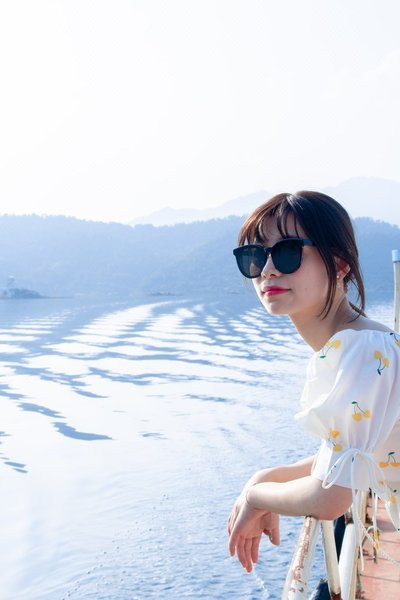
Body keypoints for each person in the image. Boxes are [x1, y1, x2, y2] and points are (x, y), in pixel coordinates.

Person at [227, 191, 400, 574]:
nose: (268, 270)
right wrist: (267, 477)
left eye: (288, 252)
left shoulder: (362, 351)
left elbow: (330, 497)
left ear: (339, 264)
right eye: (255, 256)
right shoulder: (363, 343)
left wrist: (257, 497)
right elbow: (351, 457)